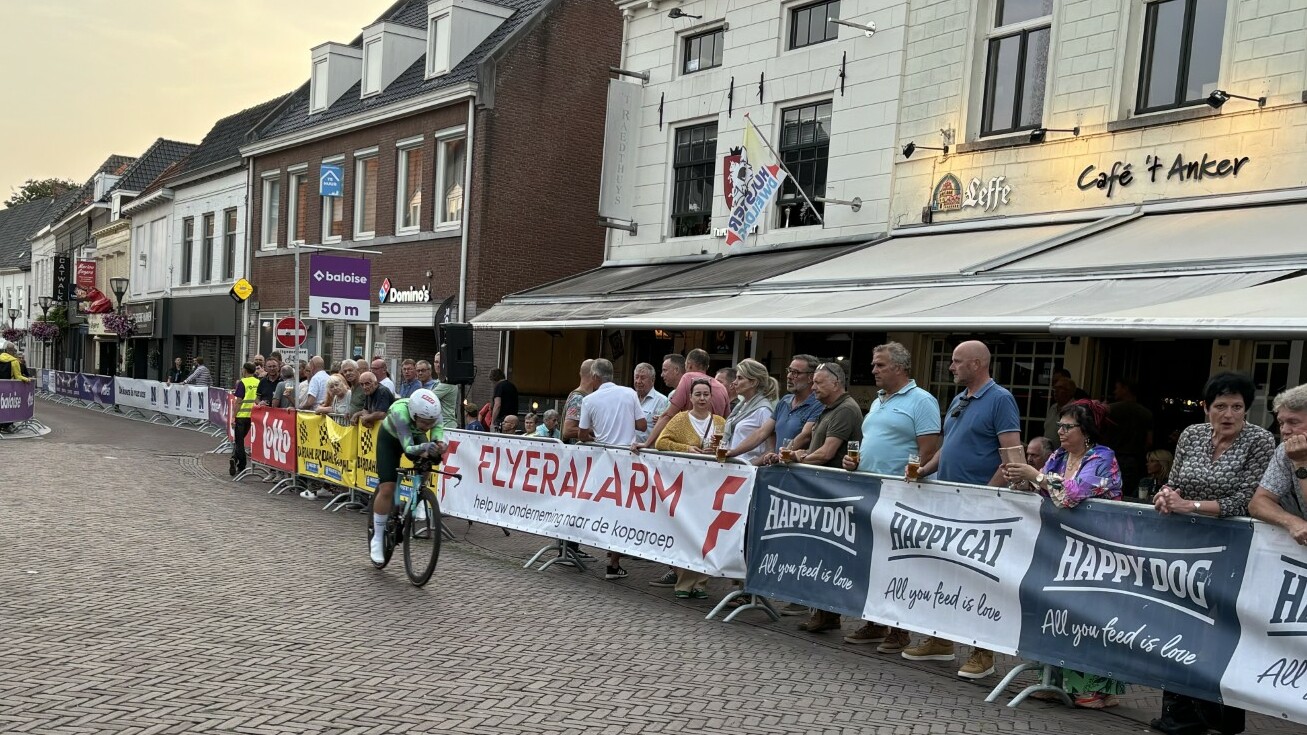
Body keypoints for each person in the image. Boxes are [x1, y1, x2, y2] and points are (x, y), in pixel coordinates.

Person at [1150, 372, 1274, 735]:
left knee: (1218, 630)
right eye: (1220, 406)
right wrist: (1166, 495)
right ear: (1206, 407)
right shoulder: (1191, 435)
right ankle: (1179, 714)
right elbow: (1175, 481)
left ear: (1247, 410)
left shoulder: (1260, 441)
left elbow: (1246, 501)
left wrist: (1189, 505)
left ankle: (1221, 716)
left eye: (1237, 406)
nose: (1228, 414)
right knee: (1178, 622)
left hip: (1232, 548)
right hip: (1185, 544)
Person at [904, 340, 1021, 681]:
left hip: (980, 505)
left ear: (977, 364)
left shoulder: (1000, 399)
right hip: (949, 501)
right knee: (945, 572)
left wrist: (988, 494)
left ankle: (983, 652)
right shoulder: (959, 399)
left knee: (979, 578)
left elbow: (1011, 454)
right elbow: (949, 445)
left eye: (957, 361)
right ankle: (941, 640)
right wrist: (925, 470)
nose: (951, 367)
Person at [1003, 400, 1124, 709]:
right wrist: (1021, 479)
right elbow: (1042, 489)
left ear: (1086, 431)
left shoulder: (1102, 457)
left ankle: (1096, 689)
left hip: (1099, 549)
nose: (1060, 431)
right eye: (1060, 426)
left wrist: (1035, 475)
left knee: (1091, 615)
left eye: (1068, 427)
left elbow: (1072, 493)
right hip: (1060, 546)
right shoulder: (1057, 457)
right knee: (1057, 610)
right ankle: (1054, 681)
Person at [840, 342, 941, 652]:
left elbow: (929, 451)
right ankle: (875, 621)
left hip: (902, 494)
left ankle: (900, 629)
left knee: (899, 563)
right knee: (872, 559)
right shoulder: (878, 400)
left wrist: (912, 477)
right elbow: (873, 441)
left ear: (899, 367)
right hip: (871, 491)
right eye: (874, 364)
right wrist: (855, 462)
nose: (874, 370)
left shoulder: (922, 400)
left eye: (880, 365)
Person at [791, 362, 863, 635]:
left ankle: (827, 612)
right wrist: (797, 453)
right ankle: (824, 612)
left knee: (828, 554)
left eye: (819, 382)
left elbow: (827, 452)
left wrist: (798, 459)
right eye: (813, 383)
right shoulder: (828, 408)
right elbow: (814, 445)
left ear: (836, 383)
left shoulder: (845, 409)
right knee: (820, 552)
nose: (813, 388)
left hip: (833, 494)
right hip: (821, 491)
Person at [654, 378, 725, 599]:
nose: (702, 398)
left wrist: (719, 450)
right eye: (698, 394)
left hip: (712, 484)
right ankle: (684, 583)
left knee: (708, 535)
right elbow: (661, 442)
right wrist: (687, 449)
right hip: (687, 485)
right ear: (690, 397)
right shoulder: (680, 419)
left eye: (706, 394)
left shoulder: (720, 422)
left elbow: (728, 446)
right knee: (688, 533)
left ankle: (701, 583)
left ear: (711, 397)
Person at [579, 358, 646, 579]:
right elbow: (642, 425)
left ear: (595, 377)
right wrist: (624, 421)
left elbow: (581, 434)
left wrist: (596, 433)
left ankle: (600, 545)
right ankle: (614, 562)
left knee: (600, 505)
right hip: (627, 460)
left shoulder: (589, 400)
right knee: (622, 510)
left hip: (604, 460)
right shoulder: (629, 393)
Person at [369, 389, 446, 565]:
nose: (427, 426)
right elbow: (409, 449)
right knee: (388, 488)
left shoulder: (434, 415)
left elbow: (437, 439)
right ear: (413, 414)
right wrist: (426, 447)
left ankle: (417, 498)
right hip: (390, 441)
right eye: (424, 422)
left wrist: (440, 446)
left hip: (414, 436)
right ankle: (377, 538)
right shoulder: (400, 413)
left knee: (428, 461)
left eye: (430, 423)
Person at [1250, 383, 1307, 543]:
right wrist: (1292, 522)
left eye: (1293, 422)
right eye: (1281, 423)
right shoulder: (1285, 450)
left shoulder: (1296, 455)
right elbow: (1258, 503)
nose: (1285, 430)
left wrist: (1301, 463)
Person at [643, 349, 729, 446]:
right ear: (707, 366)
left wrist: (647, 443)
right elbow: (727, 422)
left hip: (690, 448)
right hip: (712, 448)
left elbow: (668, 415)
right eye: (698, 394)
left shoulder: (688, 378)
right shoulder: (722, 388)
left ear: (689, 365)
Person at [758, 354, 824, 472]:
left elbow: (805, 436)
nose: (789, 376)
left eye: (795, 373)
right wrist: (733, 452)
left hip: (798, 473)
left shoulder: (818, 404)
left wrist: (780, 455)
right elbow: (763, 432)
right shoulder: (785, 400)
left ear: (811, 377)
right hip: (778, 468)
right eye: (789, 371)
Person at [722, 359, 779, 464]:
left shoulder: (763, 410)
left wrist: (750, 466)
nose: (734, 382)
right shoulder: (741, 406)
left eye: (740, 378)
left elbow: (771, 449)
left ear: (753, 382)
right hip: (732, 465)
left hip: (746, 467)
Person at [1107, 378, 1154, 497]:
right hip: (1135, 461)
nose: (1114, 391)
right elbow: (1149, 441)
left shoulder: (1110, 410)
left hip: (1112, 458)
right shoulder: (1146, 413)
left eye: (1117, 388)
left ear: (1125, 389)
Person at [229, 362, 260, 476]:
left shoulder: (243, 382)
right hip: (253, 416)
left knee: (239, 441)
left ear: (245, 370)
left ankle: (241, 464)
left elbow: (238, 401)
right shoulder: (258, 382)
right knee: (240, 439)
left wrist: (233, 417)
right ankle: (234, 458)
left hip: (241, 416)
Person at [633, 362, 670, 445]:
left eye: (642, 378)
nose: (638, 381)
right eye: (636, 377)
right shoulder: (630, 397)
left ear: (652, 380)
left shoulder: (662, 401)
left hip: (647, 449)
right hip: (627, 448)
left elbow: (665, 429)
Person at [562, 359, 596, 443]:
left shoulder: (580, 396)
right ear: (594, 375)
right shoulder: (579, 398)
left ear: (580, 373)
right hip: (575, 450)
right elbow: (568, 430)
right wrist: (596, 432)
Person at [1043, 376, 1076, 442]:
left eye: (1060, 388)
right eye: (1055, 388)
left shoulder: (1076, 409)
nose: (1056, 391)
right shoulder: (1053, 407)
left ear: (1070, 391)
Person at [431, 354, 459, 430]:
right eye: (436, 362)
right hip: (439, 426)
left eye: (441, 362)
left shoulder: (448, 383)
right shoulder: (438, 382)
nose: (438, 365)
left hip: (447, 427)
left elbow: (427, 398)